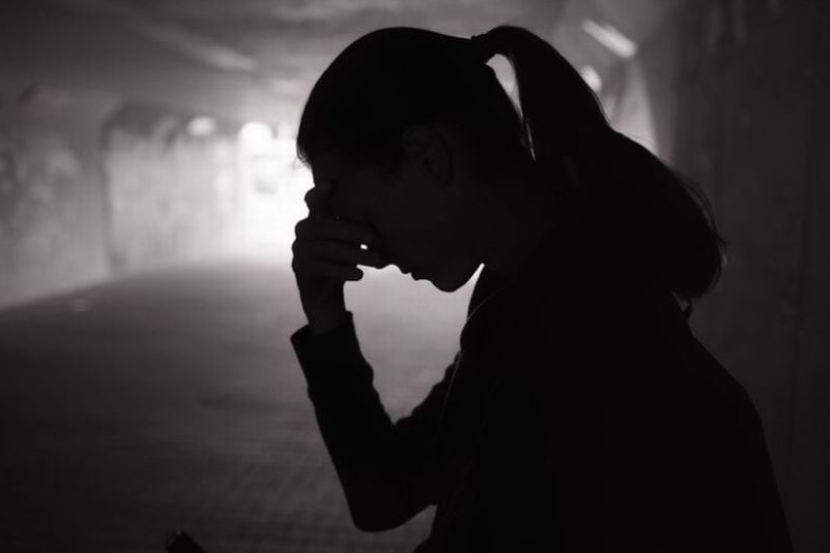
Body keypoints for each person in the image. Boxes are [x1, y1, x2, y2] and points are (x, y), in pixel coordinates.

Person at [288, 25, 793, 552]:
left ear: (428, 154)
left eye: (364, 215)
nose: (375, 252)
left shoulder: (575, 343)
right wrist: (325, 311)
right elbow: (386, 493)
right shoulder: (535, 299)